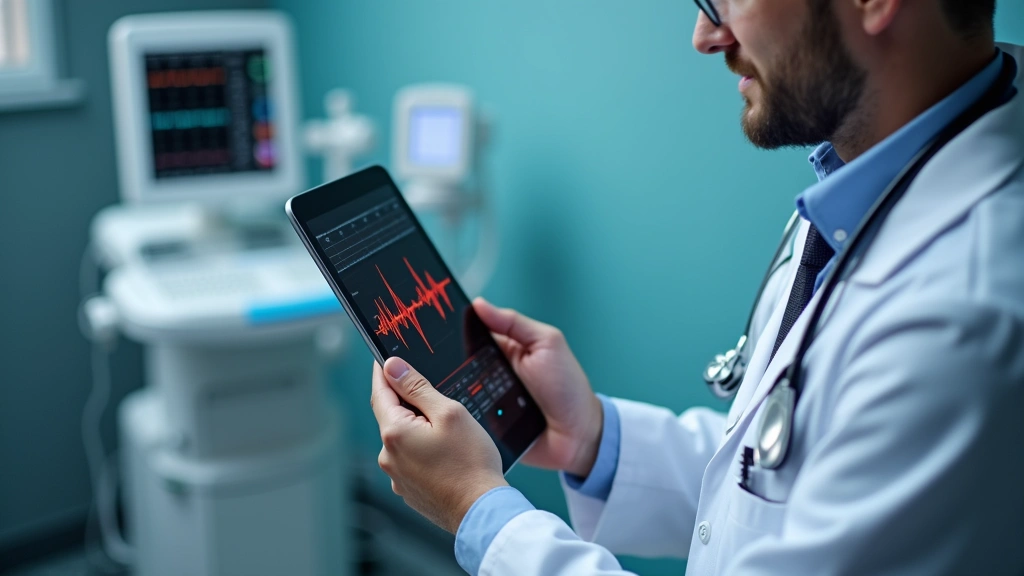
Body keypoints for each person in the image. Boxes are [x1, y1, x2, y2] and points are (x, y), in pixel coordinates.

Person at [369, 0, 1024, 573]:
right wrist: (593, 439)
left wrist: (481, 511)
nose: (706, 36)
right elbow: (801, 469)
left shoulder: (959, 319)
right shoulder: (884, 168)